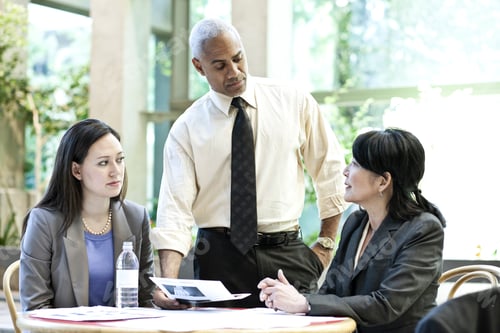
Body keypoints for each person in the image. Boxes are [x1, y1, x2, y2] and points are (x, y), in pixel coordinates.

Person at [151, 17, 347, 309]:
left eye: (238, 58)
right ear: (198, 66)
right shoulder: (186, 129)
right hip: (218, 259)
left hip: (288, 255)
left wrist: (326, 246)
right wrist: (169, 283)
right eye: (220, 65)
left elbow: (330, 170)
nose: (234, 72)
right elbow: (174, 210)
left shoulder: (293, 101)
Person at [258, 128, 446, 333]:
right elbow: (331, 289)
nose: (345, 171)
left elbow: (386, 304)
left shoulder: (424, 229)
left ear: (383, 181)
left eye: (355, 164)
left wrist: (304, 303)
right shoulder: (356, 223)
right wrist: (289, 296)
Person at [20, 118, 157, 311]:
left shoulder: (136, 217)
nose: (116, 171)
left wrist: (165, 299)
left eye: (119, 160)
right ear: (76, 170)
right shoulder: (44, 222)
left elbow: (146, 299)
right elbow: (35, 307)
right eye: (103, 163)